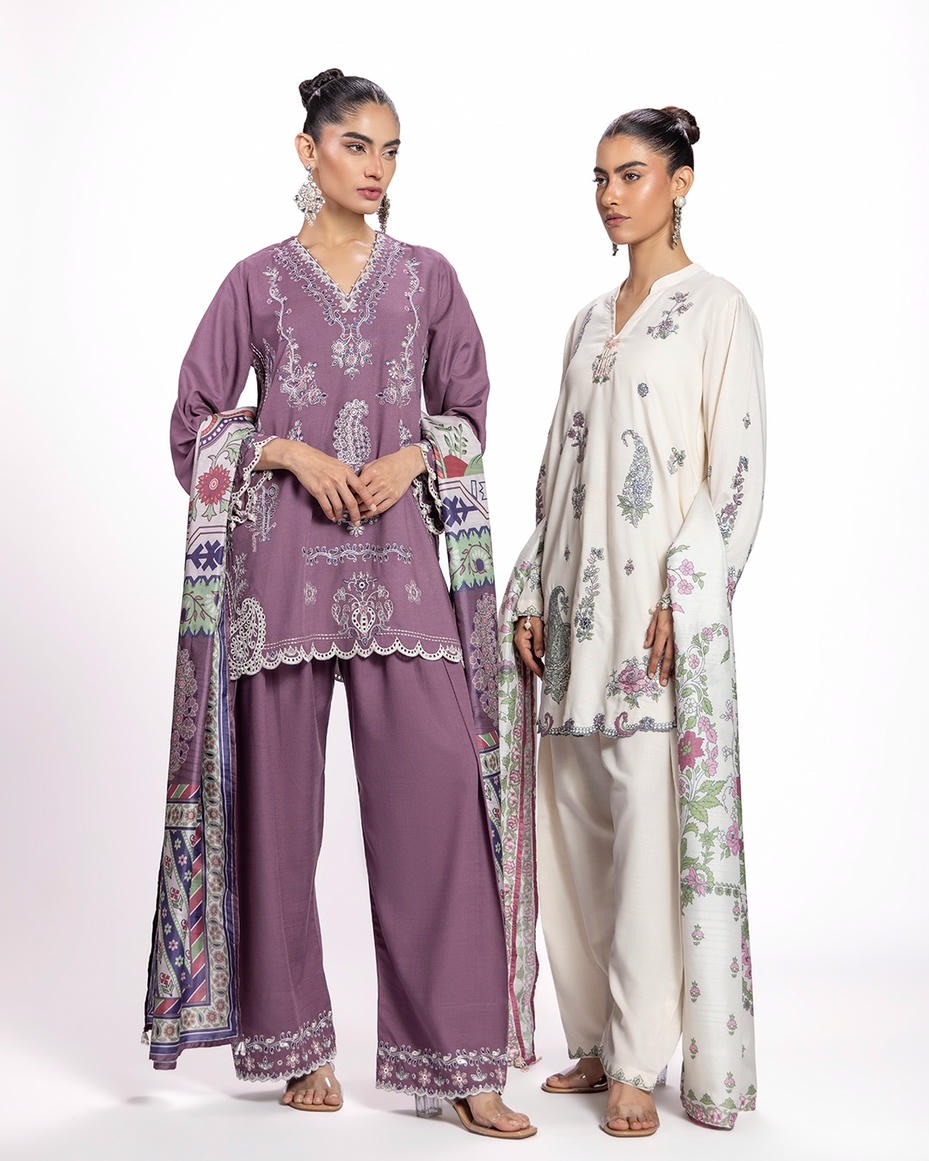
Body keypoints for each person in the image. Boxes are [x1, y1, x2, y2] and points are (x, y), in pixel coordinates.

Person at [144, 68, 534, 1141]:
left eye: (390, 149)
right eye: (356, 144)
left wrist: (416, 454)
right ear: (307, 150)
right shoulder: (257, 283)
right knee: (277, 818)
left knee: (439, 804)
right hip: (280, 576)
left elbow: (466, 414)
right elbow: (192, 423)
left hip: (401, 571)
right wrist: (282, 450)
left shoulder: (428, 278)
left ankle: (461, 1060)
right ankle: (294, 1047)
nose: (376, 168)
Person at [504, 106, 765, 1136]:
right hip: (572, 613)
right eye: (599, 178)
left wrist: (686, 596)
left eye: (631, 175)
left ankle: (638, 1056)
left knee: (648, 836)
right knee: (572, 831)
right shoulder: (584, 321)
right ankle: (591, 1039)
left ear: (680, 182)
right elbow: (555, 469)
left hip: (651, 621)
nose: (610, 195)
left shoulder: (716, 311)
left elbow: (733, 470)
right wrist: (531, 589)